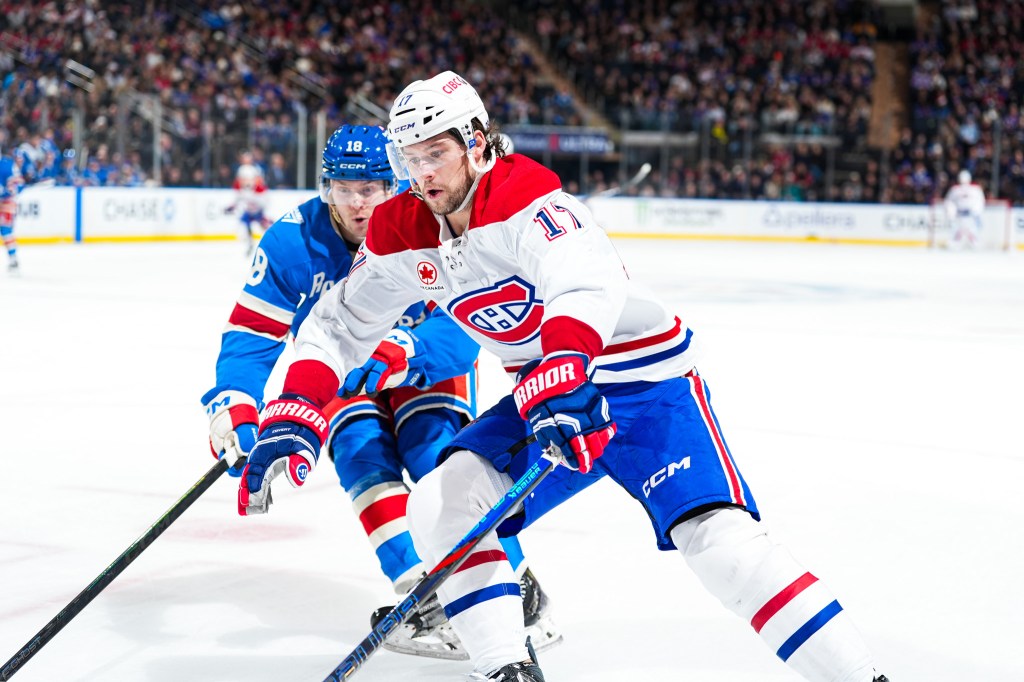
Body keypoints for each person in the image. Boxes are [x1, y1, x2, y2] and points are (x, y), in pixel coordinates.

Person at [238, 71, 890, 682]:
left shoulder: (524, 194)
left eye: (435, 152)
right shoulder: (401, 228)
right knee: (441, 503)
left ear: (476, 142)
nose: (422, 173)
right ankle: (507, 669)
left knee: (719, 545)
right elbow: (337, 325)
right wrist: (298, 406)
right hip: (546, 397)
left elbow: (585, 281)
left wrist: (565, 362)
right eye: (410, 158)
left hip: (641, 381)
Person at [204, 124, 558, 659]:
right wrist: (234, 404)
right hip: (347, 375)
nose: (355, 201)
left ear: (393, 184)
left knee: (437, 456)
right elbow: (253, 333)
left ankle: (516, 584)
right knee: (359, 453)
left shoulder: (433, 224)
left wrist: (406, 348)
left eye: (368, 187)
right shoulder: (292, 241)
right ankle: (421, 592)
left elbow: (467, 333)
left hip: (425, 369)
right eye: (342, 187)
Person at [225, 151, 272, 255]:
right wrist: (233, 205)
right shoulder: (241, 172)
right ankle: (251, 243)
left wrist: (258, 202)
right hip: (250, 202)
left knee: (261, 222)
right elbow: (238, 189)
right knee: (247, 222)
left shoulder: (255, 171)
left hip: (256, 202)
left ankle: (271, 238)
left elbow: (261, 187)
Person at [942, 169, 986, 248]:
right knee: (956, 229)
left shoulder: (975, 189)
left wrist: (977, 211)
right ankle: (955, 242)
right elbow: (949, 201)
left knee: (973, 230)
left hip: (971, 215)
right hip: (959, 214)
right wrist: (951, 211)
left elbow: (980, 201)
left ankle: (975, 243)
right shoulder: (955, 189)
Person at [0, 151, 24, 271]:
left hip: (6, 202)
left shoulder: (7, 165)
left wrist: (7, 192)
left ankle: (13, 257)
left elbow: (18, 185)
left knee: (5, 229)